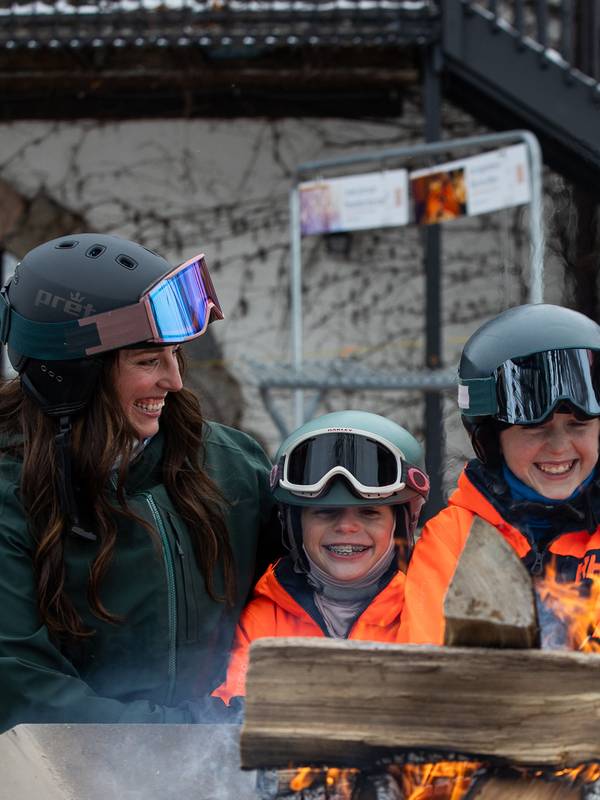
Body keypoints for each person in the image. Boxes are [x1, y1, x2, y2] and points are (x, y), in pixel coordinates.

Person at [0, 233, 279, 730]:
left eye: (174, 356)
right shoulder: (9, 492)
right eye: (148, 361)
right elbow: (19, 684)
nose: (173, 380)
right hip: (62, 776)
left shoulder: (232, 463)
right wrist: (183, 741)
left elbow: (295, 603)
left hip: (227, 770)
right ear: (71, 375)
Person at [400, 303, 600, 645]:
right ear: (493, 439)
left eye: (578, 425)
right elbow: (423, 666)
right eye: (534, 429)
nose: (558, 447)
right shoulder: (455, 540)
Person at [212, 410, 430, 706]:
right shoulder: (265, 619)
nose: (346, 527)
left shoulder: (430, 611)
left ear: (405, 522)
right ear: (295, 524)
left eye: (369, 513)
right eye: (325, 512)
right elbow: (234, 718)